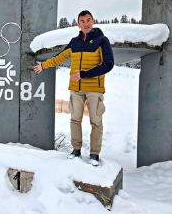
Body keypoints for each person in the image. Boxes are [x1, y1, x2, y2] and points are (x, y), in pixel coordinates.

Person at [34, 10, 114, 166]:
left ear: (93, 21)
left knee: (96, 122)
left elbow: (108, 64)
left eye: (88, 20)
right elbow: (60, 57)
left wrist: (84, 74)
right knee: (75, 120)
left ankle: (94, 154)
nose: (86, 24)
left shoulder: (102, 41)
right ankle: (76, 150)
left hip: (94, 89)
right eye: (82, 21)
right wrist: (44, 65)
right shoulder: (74, 42)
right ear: (78, 24)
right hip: (76, 89)